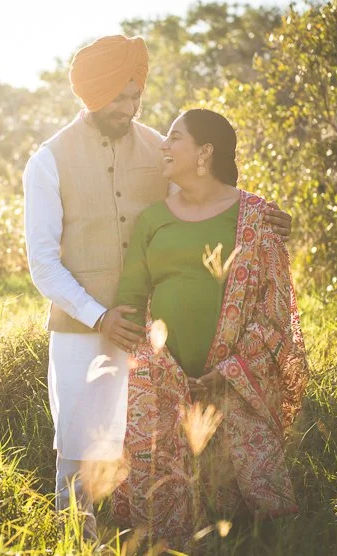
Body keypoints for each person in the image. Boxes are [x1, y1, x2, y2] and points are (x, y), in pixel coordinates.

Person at [21, 35, 293, 539]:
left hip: (154, 341)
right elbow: (42, 262)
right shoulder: (48, 160)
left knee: (155, 451)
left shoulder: (158, 148)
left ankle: (164, 540)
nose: (130, 107)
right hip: (82, 333)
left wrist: (258, 217)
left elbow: (202, 204)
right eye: (119, 97)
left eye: (135, 96)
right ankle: (73, 543)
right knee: (79, 449)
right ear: (90, 94)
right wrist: (97, 314)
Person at [110, 108, 308, 547]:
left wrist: (229, 373)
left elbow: (274, 313)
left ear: (205, 152)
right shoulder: (153, 219)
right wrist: (153, 364)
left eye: (174, 138)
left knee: (241, 525)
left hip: (233, 377)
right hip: (162, 379)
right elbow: (130, 299)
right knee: (164, 507)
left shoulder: (256, 218)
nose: (164, 146)